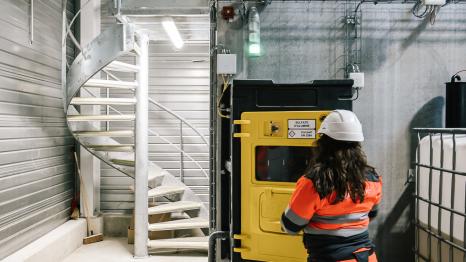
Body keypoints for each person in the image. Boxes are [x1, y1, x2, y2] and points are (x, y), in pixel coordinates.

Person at [281, 110, 382, 262]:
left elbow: (290, 225)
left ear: (323, 143)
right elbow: (372, 214)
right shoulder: (372, 178)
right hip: (366, 257)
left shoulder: (315, 182)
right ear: (357, 144)